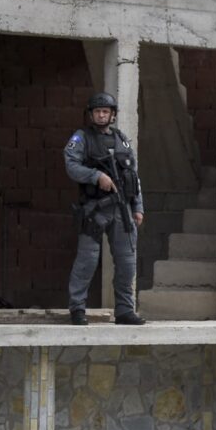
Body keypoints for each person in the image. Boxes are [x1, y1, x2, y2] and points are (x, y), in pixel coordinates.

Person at [64, 92, 146, 326]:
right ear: (91, 114)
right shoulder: (81, 138)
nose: (102, 115)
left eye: (106, 112)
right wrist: (96, 176)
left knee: (127, 262)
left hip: (122, 209)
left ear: (112, 115)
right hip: (94, 209)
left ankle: (124, 310)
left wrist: (137, 206)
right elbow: (71, 166)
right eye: (98, 111)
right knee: (87, 260)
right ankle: (78, 309)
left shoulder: (122, 139)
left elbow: (133, 176)